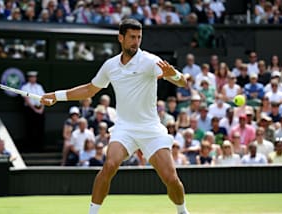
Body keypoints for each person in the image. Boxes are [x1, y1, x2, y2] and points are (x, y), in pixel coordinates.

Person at [40, 19, 190, 214]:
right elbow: (89, 89)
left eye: (139, 37)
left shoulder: (150, 61)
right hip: (124, 128)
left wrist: (175, 76)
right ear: (121, 38)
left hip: (151, 129)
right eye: (132, 37)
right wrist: (56, 96)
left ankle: (182, 211)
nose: (136, 42)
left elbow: (183, 83)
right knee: (109, 165)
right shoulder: (110, 65)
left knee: (171, 179)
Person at [21, 71, 46, 152]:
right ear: (29, 78)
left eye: (34, 77)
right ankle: (30, 147)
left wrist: (41, 108)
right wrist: (35, 110)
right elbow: (27, 100)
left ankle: (39, 147)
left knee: (40, 129)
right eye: (31, 77)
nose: (33, 78)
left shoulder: (39, 87)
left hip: (40, 109)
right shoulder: (25, 87)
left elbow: (43, 98)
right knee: (30, 128)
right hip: (30, 110)